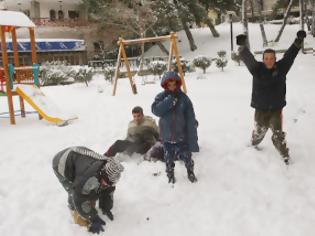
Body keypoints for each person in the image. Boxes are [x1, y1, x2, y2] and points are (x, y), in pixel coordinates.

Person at [236, 30, 306, 165]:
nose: (269, 61)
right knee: (259, 132)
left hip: (275, 109)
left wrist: (298, 41)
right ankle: (253, 143)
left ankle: (285, 156)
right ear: (263, 60)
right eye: (266, 58)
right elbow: (249, 59)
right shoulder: (257, 69)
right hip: (260, 109)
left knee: (278, 134)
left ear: (275, 59)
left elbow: (290, 56)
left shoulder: (281, 68)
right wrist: (242, 47)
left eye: (271, 58)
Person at [52, 146, 124, 234]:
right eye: (105, 183)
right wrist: (93, 217)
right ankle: (74, 211)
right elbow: (79, 199)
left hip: (79, 157)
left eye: (108, 184)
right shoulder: (87, 178)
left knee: (95, 190)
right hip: (61, 163)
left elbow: (108, 190)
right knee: (74, 192)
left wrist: (106, 207)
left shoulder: (109, 173)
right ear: (101, 173)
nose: (106, 185)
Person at [152, 71, 199, 183]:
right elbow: (156, 110)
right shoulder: (161, 97)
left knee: (187, 156)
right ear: (165, 85)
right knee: (168, 158)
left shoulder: (184, 99)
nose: (172, 87)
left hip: (181, 136)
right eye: (169, 85)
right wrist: (169, 101)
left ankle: (190, 171)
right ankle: (170, 174)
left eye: (174, 84)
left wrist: (192, 139)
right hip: (166, 137)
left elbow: (190, 119)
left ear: (178, 84)